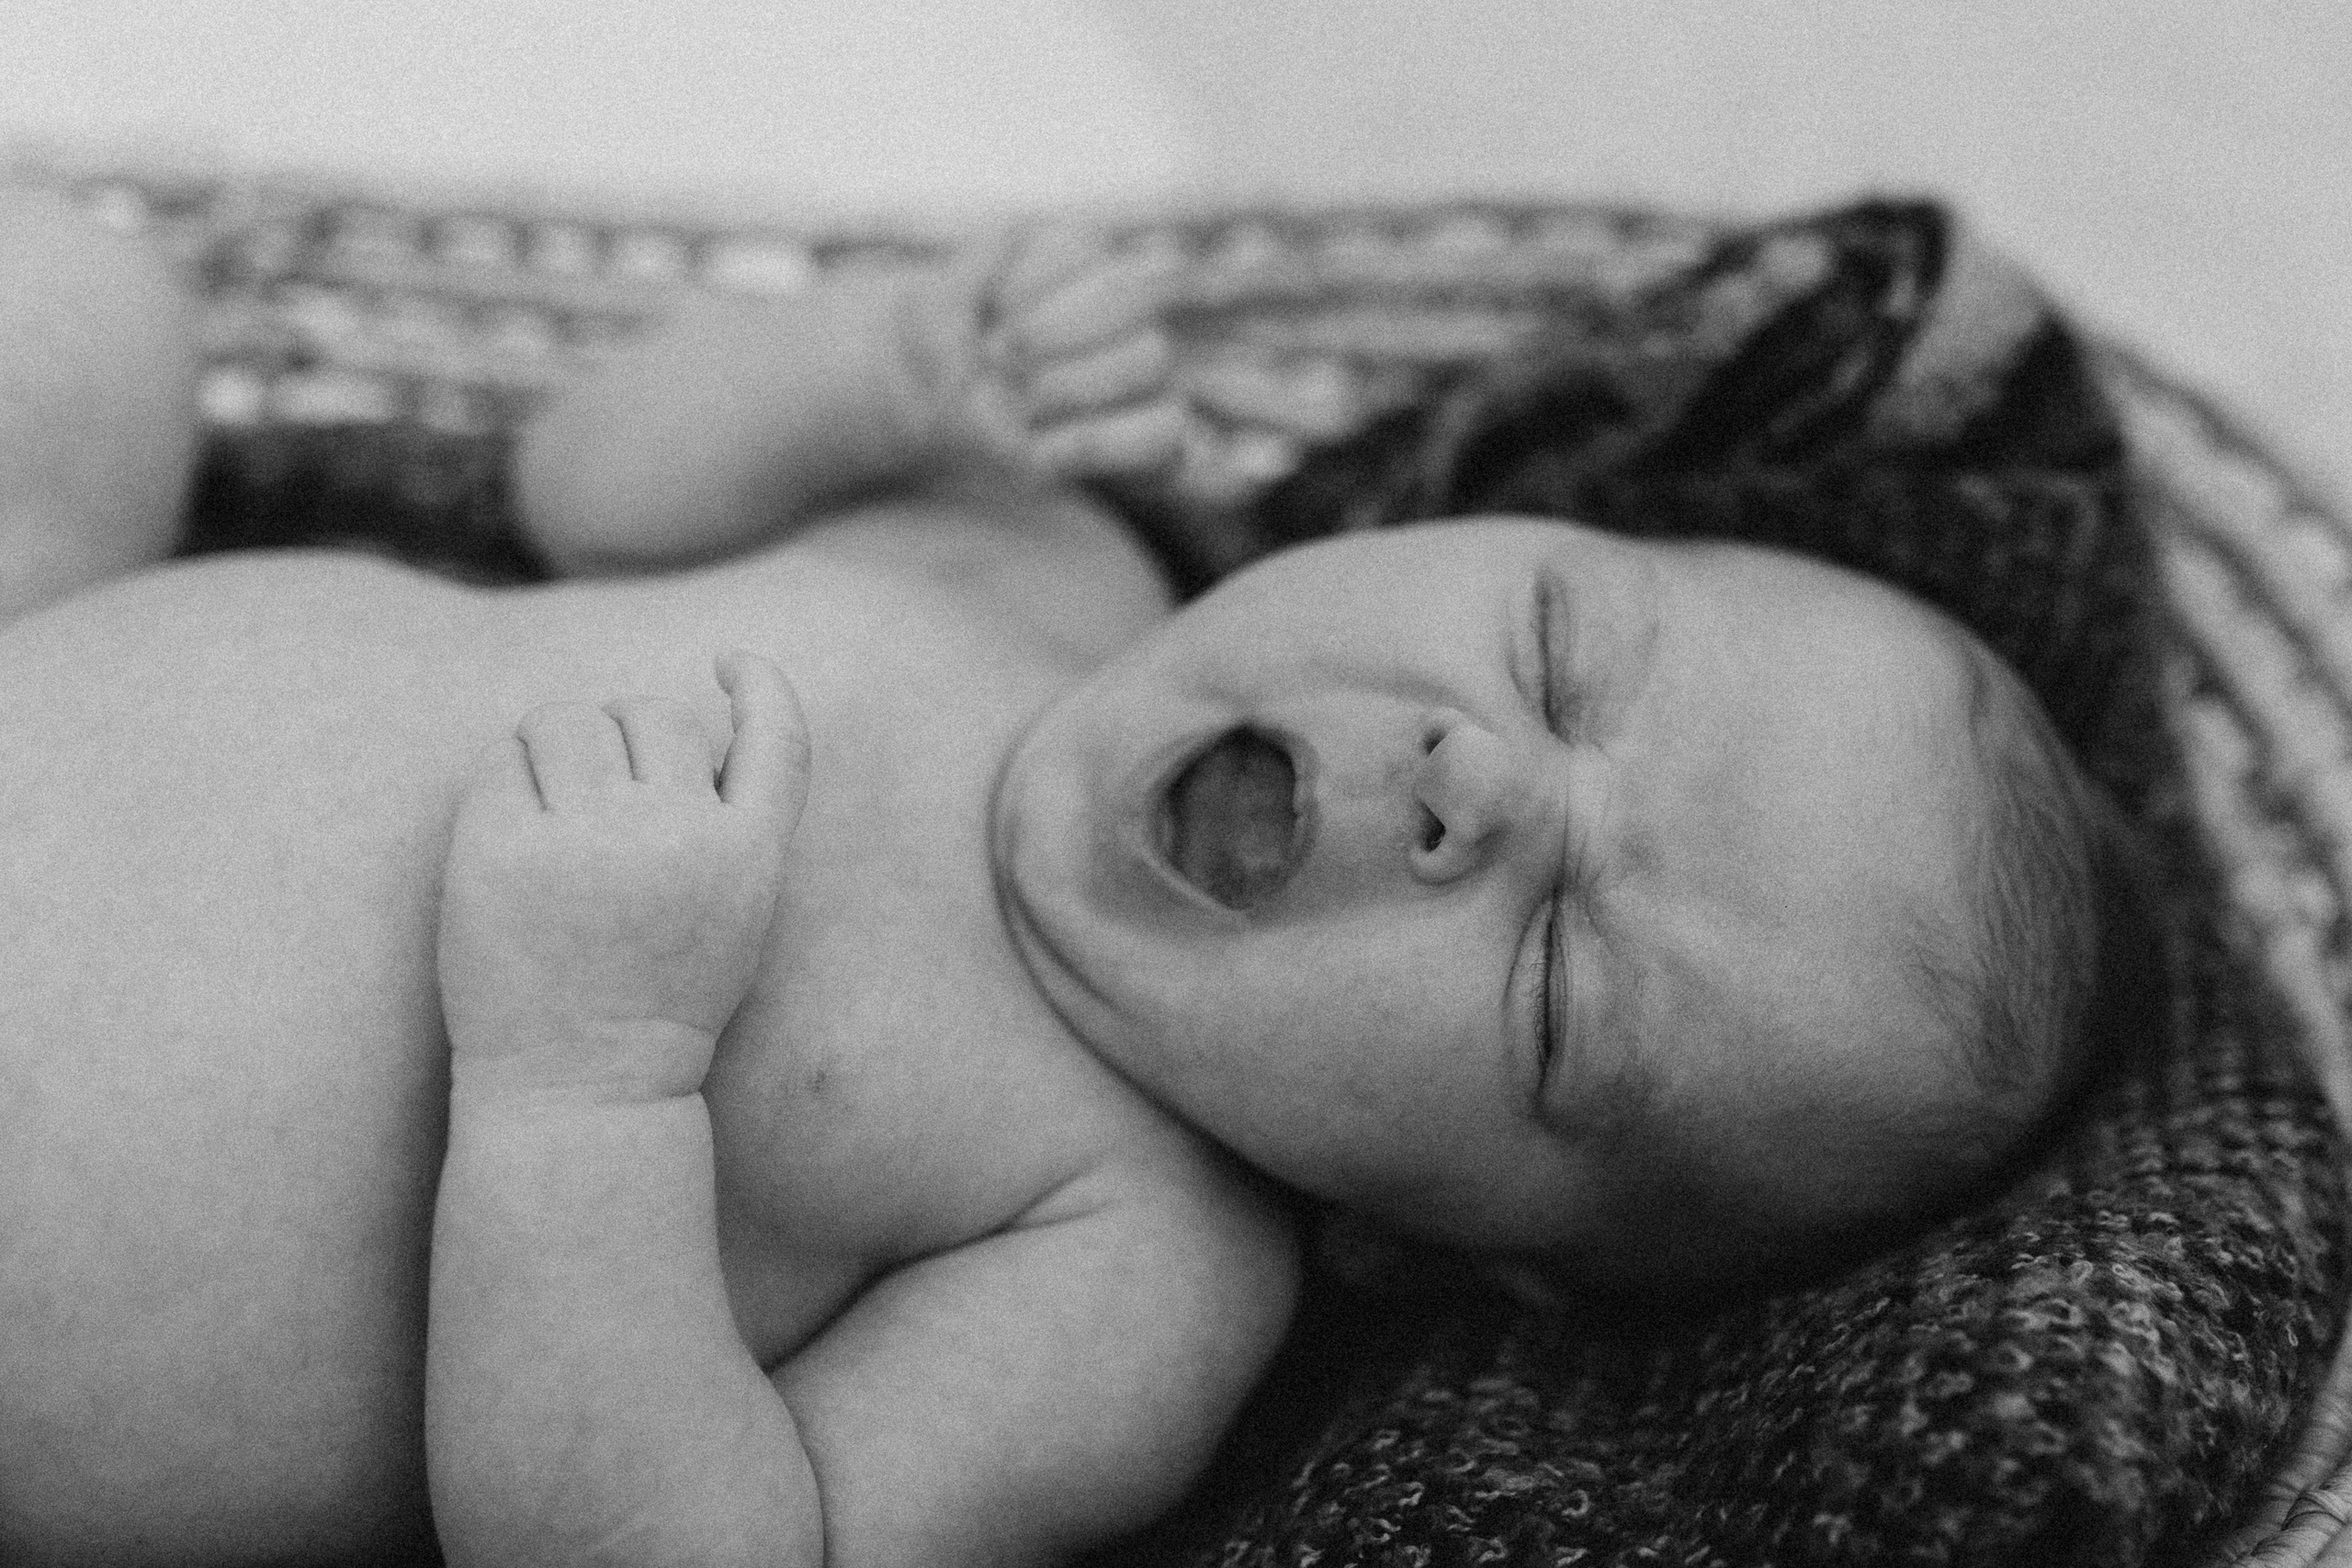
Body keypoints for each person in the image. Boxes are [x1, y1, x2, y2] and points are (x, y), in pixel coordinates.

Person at [0, 186, 2111, 1567]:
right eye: (1554, 650)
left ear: (1458, 1252)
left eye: (1553, 979)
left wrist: (589, 1077)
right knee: (81, 314)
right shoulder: (1049, 554)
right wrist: (882, 369)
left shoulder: (1131, 1255)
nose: (1482, 785)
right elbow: (586, 489)